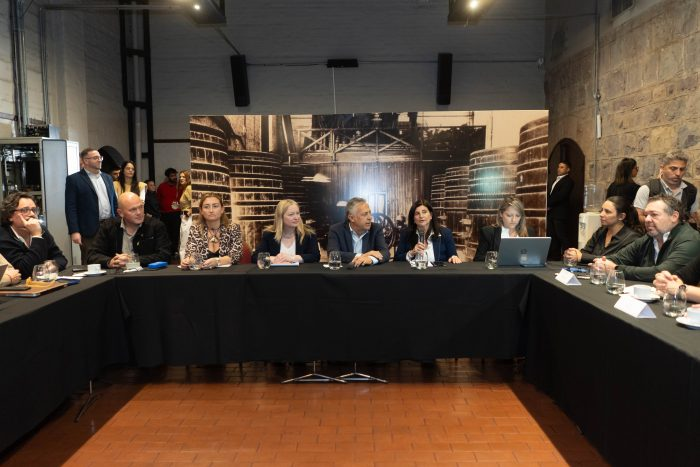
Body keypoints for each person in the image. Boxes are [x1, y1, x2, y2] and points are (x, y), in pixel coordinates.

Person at [593, 195, 700, 282]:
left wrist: (616, 269)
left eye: (654, 215)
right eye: (646, 215)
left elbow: (663, 272)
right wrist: (602, 263)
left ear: (674, 216)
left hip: (678, 299)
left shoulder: (690, 240)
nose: (647, 220)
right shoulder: (650, 237)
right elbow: (619, 258)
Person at [86, 192, 171, 269]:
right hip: (116, 275)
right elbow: (92, 255)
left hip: (146, 275)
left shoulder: (156, 226)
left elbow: (165, 255)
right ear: (120, 213)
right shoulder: (108, 226)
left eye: (141, 207)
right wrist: (110, 261)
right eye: (133, 209)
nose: (139, 212)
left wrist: (133, 260)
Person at [64, 147, 118, 262]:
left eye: (100, 157)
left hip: (110, 225)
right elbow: (70, 207)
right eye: (95, 158)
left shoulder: (108, 177)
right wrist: (74, 231)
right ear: (85, 161)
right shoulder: (74, 179)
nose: (99, 160)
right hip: (89, 228)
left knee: (113, 258)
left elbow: (114, 201)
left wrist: (118, 220)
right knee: (90, 260)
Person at [0, 192, 68, 278]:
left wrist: (52, 266)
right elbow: (24, 271)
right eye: (25, 210)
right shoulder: (3, 236)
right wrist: (36, 236)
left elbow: (61, 259)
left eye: (34, 210)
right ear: (10, 216)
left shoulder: (42, 230)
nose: (32, 214)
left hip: (44, 281)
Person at [562, 196, 642, 264]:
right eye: (601, 210)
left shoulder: (632, 238)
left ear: (621, 216)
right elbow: (585, 252)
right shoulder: (601, 231)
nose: (601, 214)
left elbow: (615, 260)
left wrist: (582, 257)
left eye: (607, 212)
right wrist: (574, 254)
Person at [633, 151, 698, 224]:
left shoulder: (691, 190)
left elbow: (693, 215)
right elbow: (638, 216)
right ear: (662, 168)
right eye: (673, 168)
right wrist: (661, 223)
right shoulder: (647, 189)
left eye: (682, 169)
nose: (678, 173)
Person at [181, 192, 242, 269]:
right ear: (201, 211)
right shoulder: (195, 229)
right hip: (203, 274)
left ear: (222, 209)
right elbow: (191, 254)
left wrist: (217, 261)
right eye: (206, 207)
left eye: (215, 206)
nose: (211, 210)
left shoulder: (233, 228)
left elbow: (236, 255)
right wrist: (188, 261)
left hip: (228, 273)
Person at [252, 199, 320, 264]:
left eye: (297, 213)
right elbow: (255, 257)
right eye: (291, 214)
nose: (296, 217)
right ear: (281, 217)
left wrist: (292, 258)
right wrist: (274, 259)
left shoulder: (309, 234)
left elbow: (316, 256)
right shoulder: (269, 234)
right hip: (276, 271)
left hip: (301, 272)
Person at [327, 197, 389, 267]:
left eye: (370, 213)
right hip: (346, 271)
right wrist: (363, 256)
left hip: (368, 272)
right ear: (351, 218)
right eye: (365, 214)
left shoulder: (376, 228)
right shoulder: (336, 230)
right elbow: (332, 253)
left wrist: (371, 259)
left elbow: (385, 253)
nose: (370, 217)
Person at [395, 199, 461, 264]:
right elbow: (396, 260)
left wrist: (454, 257)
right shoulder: (406, 234)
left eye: (424, 212)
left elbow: (453, 256)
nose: (421, 216)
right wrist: (411, 253)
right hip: (413, 271)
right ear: (413, 219)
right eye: (417, 213)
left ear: (431, 216)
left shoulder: (445, 233)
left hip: (437, 271)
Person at [473, 197, 534, 261]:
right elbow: (478, 259)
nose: (514, 220)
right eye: (509, 215)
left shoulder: (529, 232)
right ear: (501, 214)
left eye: (517, 216)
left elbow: (534, 256)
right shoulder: (488, 233)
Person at [547, 160, 575, 259]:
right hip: (552, 212)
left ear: (568, 169)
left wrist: (548, 203)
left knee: (562, 236)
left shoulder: (569, 181)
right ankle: (554, 256)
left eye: (562, 167)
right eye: (558, 167)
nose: (559, 169)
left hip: (560, 213)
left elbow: (561, 196)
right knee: (552, 235)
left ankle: (570, 256)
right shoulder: (555, 180)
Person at [157, 168, 182, 258]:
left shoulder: (179, 186)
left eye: (175, 175)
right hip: (165, 214)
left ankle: (174, 251)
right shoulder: (162, 186)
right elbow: (158, 199)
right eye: (172, 176)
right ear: (168, 177)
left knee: (175, 233)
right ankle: (167, 251)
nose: (175, 177)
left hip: (176, 213)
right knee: (166, 233)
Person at [177, 170, 193, 259]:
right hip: (184, 217)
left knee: (184, 243)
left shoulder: (188, 188)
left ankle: (184, 262)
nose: (181, 178)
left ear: (188, 178)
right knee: (184, 242)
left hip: (188, 218)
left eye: (183, 177)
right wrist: (179, 206)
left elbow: (195, 203)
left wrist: (189, 213)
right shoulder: (185, 188)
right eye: (180, 177)